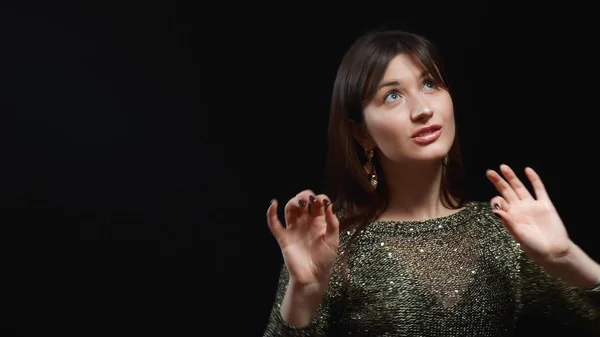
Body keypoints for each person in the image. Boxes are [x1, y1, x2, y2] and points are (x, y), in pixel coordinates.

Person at [261, 29, 600, 336]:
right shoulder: (332, 246)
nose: (422, 109)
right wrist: (304, 291)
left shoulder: (504, 232)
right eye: (392, 96)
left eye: (429, 84)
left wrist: (566, 256)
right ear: (361, 132)